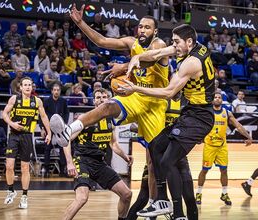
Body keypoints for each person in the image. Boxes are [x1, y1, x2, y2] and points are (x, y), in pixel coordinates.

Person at [50, 4, 169, 206]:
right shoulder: (132, 43)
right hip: (135, 95)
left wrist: (124, 65)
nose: (142, 30)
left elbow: (148, 61)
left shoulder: (159, 45)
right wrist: (80, 23)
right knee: (106, 106)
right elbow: (102, 40)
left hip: (154, 104)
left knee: (152, 162)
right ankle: (68, 132)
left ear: (155, 31)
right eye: (140, 27)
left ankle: (153, 204)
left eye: (147, 27)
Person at [120, 24, 215, 220]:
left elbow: (168, 93)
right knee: (155, 145)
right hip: (190, 113)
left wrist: (135, 89)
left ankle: (175, 210)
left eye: (177, 42)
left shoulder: (191, 62)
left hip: (200, 117)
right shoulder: (191, 46)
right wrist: (136, 57)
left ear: (188, 42)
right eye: (174, 41)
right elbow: (159, 53)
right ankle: (162, 200)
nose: (174, 46)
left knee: (168, 160)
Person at [63, 88, 133, 220]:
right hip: (82, 161)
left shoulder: (110, 120)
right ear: (94, 100)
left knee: (127, 194)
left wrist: (125, 156)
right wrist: (69, 163)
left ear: (109, 100)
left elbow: (113, 144)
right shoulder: (84, 119)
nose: (101, 100)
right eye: (98, 97)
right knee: (82, 198)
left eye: (104, 97)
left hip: (100, 163)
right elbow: (65, 140)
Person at [2, 77, 51, 209]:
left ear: (32, 87)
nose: (28, 87)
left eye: (30, 85)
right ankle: (11, 191)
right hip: (14, 135)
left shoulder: (37, 101)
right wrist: (12, 123)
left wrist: (49, 132)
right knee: (9, 166)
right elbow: (4, 114)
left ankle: (24, 196)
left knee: (25, 167)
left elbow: (44, 117)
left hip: (27, 136)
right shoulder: (14, 99)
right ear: (21, 87)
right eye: (25, 85)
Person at [196, 93, 252, 206]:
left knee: (224, 170)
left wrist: (248, 136)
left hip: (222, 146)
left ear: (222, 100)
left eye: (219, 97)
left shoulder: (227, 113)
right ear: (212, 100)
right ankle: (198, 193)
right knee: (205, 170)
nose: (217, 99)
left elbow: (238, 126)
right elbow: (199, 125)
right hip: (209, 146)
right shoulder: (207, 112)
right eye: (215, 97)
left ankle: (224, 193)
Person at [42, 83, 69, 177]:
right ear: (52, 91)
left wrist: (64, 125)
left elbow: (66, 113)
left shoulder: (63, 101)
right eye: (55, 90)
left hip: (60, 128)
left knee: (63, 147)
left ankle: (62, 170)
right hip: (48, 127)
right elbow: (42, 115)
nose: (56, 91)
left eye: (58, 90)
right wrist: (42, 128)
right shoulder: (46, 101)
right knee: (47, 148)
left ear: (60, 91)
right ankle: (46, 169)